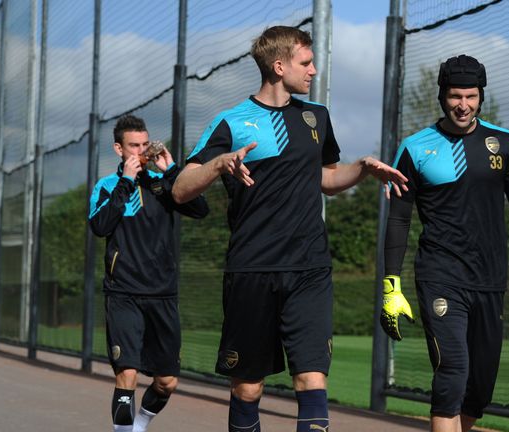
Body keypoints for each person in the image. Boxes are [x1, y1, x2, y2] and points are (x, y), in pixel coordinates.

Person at [171, 26, 407, 432]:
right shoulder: (231, 122)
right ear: (279, 67)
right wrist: (219, 163)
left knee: (312, 380)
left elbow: (326, 179)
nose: (314, 70)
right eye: (306, 62)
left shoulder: (317, 117)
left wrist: (362, 170)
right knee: (247, 388)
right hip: (251, 269)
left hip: (309, 267)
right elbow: (179, 189)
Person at [379, 54, 509, 432]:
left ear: (481, 97)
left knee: (478, 391)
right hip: (440, 275)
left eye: (471, 96)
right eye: (455, 96)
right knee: (452, 372)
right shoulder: (414, 148)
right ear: (442, 97)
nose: (463, 104)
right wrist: (391, 283)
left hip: (490, 279)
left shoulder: (504, 144)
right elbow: (398, 219)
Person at [89, 115, 209, 432]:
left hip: (163, 294)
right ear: (119, 148)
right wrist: (126, 181)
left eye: (145, 144)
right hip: (123, 293)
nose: (141, 151)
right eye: (134, 146)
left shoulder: (163, 185)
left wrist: (172, 171)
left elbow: (201, 209)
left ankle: (140, 424)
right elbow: (100, 226)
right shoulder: (107, 186)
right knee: (126, 373)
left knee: (167, 382)